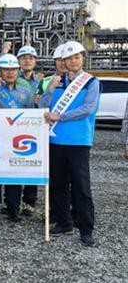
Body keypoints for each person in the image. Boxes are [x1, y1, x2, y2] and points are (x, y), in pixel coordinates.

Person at [40, 41, 100, 247]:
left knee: (81, 186)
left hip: (78, 141)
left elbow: (88, 109)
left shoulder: (91, 82)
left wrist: (60, 116)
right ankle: (64, 222)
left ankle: (86, 228)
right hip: (55, 140)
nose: (73, 61)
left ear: (82, 58)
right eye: (68, 58)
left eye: (76, 57)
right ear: (63, 61)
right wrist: (49, 90)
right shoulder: (56, 81)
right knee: (58, 184)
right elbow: (42, 106)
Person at [0, 54, 35, 222]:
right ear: (0, 71)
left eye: (13, 69)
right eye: (6, 69)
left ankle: (13, 208)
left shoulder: (24, 91)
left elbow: (31, 112)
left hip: (16, 139)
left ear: (18, 70)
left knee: (15, 175)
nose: (10, 72)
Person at [16, 45, 43, 215]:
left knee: (31, 165)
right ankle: (11, 202)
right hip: (14, 126)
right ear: (19, 61)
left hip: (34, 128)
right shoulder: (10, 77)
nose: (27, 61)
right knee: (14, 163)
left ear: (35, 61)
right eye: (24, 58)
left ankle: (29, 202)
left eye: (31, 58)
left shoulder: (41, 81)